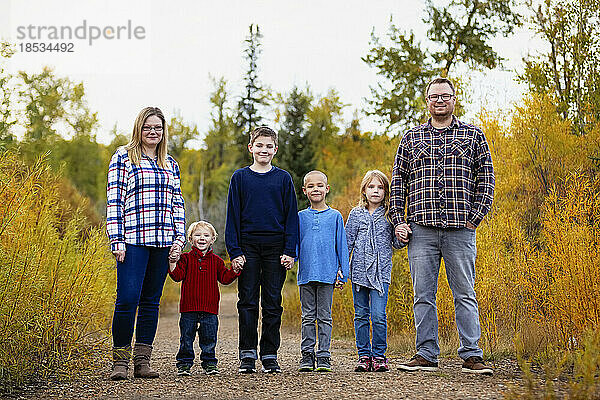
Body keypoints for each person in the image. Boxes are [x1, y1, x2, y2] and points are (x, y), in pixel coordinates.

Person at [390, 77, 495, 375]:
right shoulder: (411, 138)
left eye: (445, 96)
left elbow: (486, 179)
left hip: (461, 228)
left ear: (453, 100)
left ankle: (472, 355)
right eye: (434, 96)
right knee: (423, 294)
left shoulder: (473, 135)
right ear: (427, 101)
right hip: (421, 229)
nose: (440, 101)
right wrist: (398, 220)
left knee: (464, 293)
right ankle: (426, 354)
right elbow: (398, 182)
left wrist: (475, 217)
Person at [106, 106, 185, 380]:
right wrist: (116, 239)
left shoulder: (170, 164)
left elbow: (177, 202)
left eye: (158, 128)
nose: (153, 132)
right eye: (148, 127)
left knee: (151, 301)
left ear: (163, 132)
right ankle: (120, 361)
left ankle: (142, 361)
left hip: (162, 241)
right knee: (127, 299)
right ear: (139, 129)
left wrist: (179, 237)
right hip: (133, 241)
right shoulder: (123, 158)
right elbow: (115, 200)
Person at [224, 126, 299, 374]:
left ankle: (269, 354)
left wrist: (290, 249)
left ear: (275, 149)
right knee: (246, 301)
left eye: (268, 146)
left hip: (276, 248)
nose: (263, 150)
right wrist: (235, 251)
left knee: (272, 302)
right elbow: (232, 217)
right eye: (259, 145)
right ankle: (247, 354)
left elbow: (291, 218)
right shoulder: (240, 178)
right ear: (251, 148)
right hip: (247, 247)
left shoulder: (283, 179)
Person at [345, 170, 403, 372]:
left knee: (378, 315)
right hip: (359, 273)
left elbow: (396, 243)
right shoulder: (356, 214)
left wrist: (403, 234)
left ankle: (379, 355)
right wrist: (341, 269)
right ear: (364, 190)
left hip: (381, 273)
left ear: (386, 191)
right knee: (361, 315)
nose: (376, 191)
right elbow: (347, 243)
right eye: (371, 187)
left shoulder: (389, 215)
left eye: (380, 187)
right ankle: (363, 356)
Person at [168, 221, 240, 376]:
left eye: (206, 235)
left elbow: (225, 278)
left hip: (210, 308)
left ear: (212, 239)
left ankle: (209, 363)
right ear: (190, 239)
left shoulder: (217, 261)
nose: (202, 238)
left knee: (209, 338)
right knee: (187, 338)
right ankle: (184, 364)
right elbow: (176, 276)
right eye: (197, 235)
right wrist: (173, 262)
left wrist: (234, 270)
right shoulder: (185, 259)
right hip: (189, 308)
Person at [296, 170, 349, 373]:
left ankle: (324, 355)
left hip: (328, 275)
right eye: (311, 186)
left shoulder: (335, 216)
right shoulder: (300, 217)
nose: (315, 189)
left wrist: (343, 271)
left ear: (327, 189)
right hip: (306, 275)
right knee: (308, 316)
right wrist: (290, 258)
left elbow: (341, 246)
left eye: (319, 185)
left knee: (325, 317)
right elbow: (295, 246)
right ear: (305, 191)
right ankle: (307, 355)